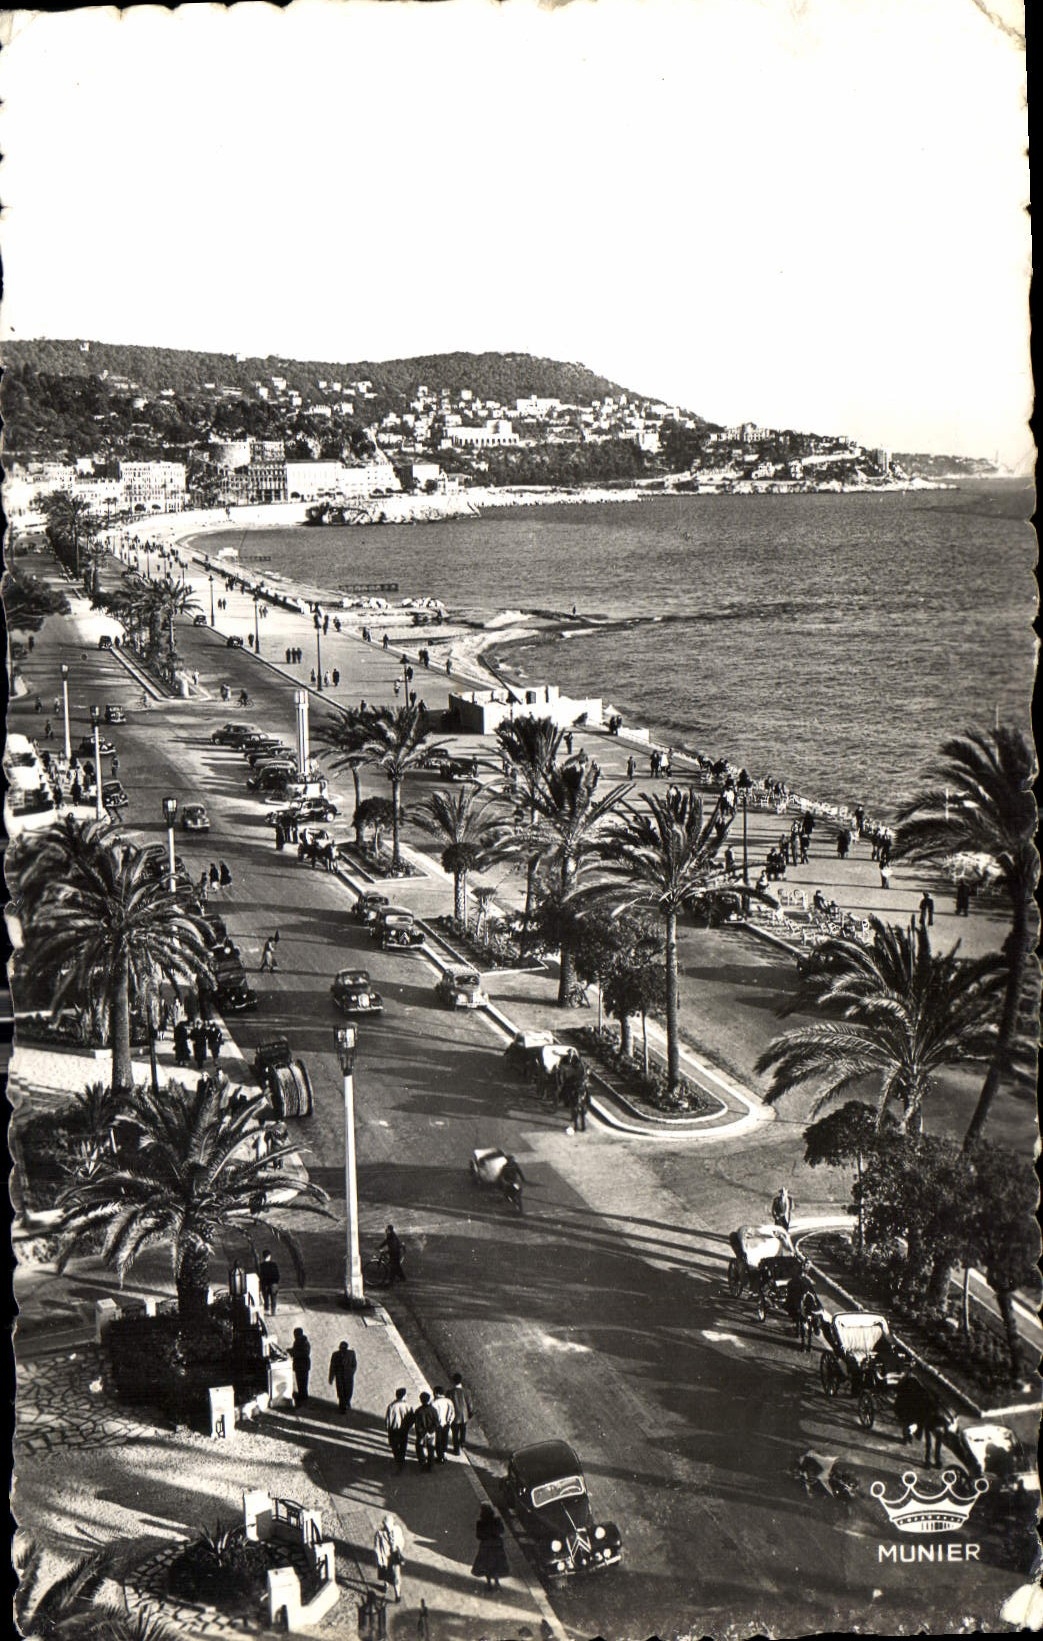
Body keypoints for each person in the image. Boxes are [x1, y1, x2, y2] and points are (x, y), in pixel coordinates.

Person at [471, 1503, 509, 1591]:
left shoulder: (480, 1523)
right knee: (496, 1564)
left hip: (486, 1546)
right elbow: (502, 1530)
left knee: (486, 1565)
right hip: (496, 1545)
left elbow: (478, 1536)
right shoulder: (497, 1520)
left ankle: (488, 1584)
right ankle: (497, 1582)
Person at [374, 1513, 405, 1604]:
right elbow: (377, 1548)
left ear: (392, 1524)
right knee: (384, 1573)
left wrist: (398, 1547)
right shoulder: (379, 1533)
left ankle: (397, 1595)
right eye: (386, 1526)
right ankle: (385, 1586)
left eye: (389, 1526)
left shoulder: (397, 1530)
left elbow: (401, 1540)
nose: (388, 1528)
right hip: (384, 1558)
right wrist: (379, 1560)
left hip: (394, 1558)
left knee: (396, 1577)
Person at [385, 1388, 414, 1471]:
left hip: (393, 1430)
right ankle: (402, 1459)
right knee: (403, 1445)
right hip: (404, 1430)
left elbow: (387, 1420)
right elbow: (412, 1418)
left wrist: (388, 1428)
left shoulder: (391, 1406)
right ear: (404, 1396)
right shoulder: (408, 1406)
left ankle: (398, 1460)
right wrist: (408, 1427)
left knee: (394, 1446)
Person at [328, 1340, 358, 1413]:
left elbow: (354, 1364)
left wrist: (351, 1372)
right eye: (341, 1348)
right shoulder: (335, 1355)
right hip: (339, 1376)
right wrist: (331, 1377)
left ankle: (347, 1402)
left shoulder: (351, 1354)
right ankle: (342, 1406)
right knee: (340, 1391)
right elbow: (332, 1366)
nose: (342, 1350)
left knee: (348, 1391)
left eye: (344, 1349)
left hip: (348, 1377)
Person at [412, 1391, 439, 1471]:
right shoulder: (433, 1410)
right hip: (431, 1432)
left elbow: (417, 1424)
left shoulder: (418, 1411)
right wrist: (431, 1430)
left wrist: (422, 1432)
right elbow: (437, 1422)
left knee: (419, 1447)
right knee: (431, 1448)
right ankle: (431, 1464)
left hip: (422, 1433)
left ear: (421, 1400)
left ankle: (422, 1462)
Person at [430, 1385, 456, 1464]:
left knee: (438, 1441)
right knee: (445, 1439)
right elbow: (452, 1412)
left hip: (438, 1425)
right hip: (447, 1424)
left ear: (436, 1393)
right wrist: (449, 1421)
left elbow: (432, 1415)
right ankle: (444, 1454)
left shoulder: (434, 1403)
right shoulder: (449, 1401)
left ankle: (440, 1457)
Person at [449, 1372, 474, 1454]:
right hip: (464, 1415)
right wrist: (470, 1412)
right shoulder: (467, 1392)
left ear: (453, 1381)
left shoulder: (450, 1392)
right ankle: (462, 1443)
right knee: (463, 1430)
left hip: (454, 1416)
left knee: (455, 1433)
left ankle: (456, 1450)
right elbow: (469, 1403)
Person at [290, 1328, 311, 1406]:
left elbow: (305, 1354)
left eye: (296, 1335)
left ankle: (304, 1396)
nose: (295, 1336)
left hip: (303, 1365)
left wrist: (293, 1353)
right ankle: (301, 1394)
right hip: (299, 1365)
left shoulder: (305, 1343)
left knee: (303, 1381)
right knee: (299, 1380)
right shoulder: (297, 1341)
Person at [258, 1250, 280, 1315]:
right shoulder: (274, 1264)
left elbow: (261, 1276)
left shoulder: (261, 1265)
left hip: (265, 1284)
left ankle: (266, 1309)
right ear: (269, 1256)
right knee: (274, 1298)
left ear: (263, 1257)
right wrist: (276, 1282)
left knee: (266, 1297)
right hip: (273, 1284)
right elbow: (277, 1275)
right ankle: (273, 1311)